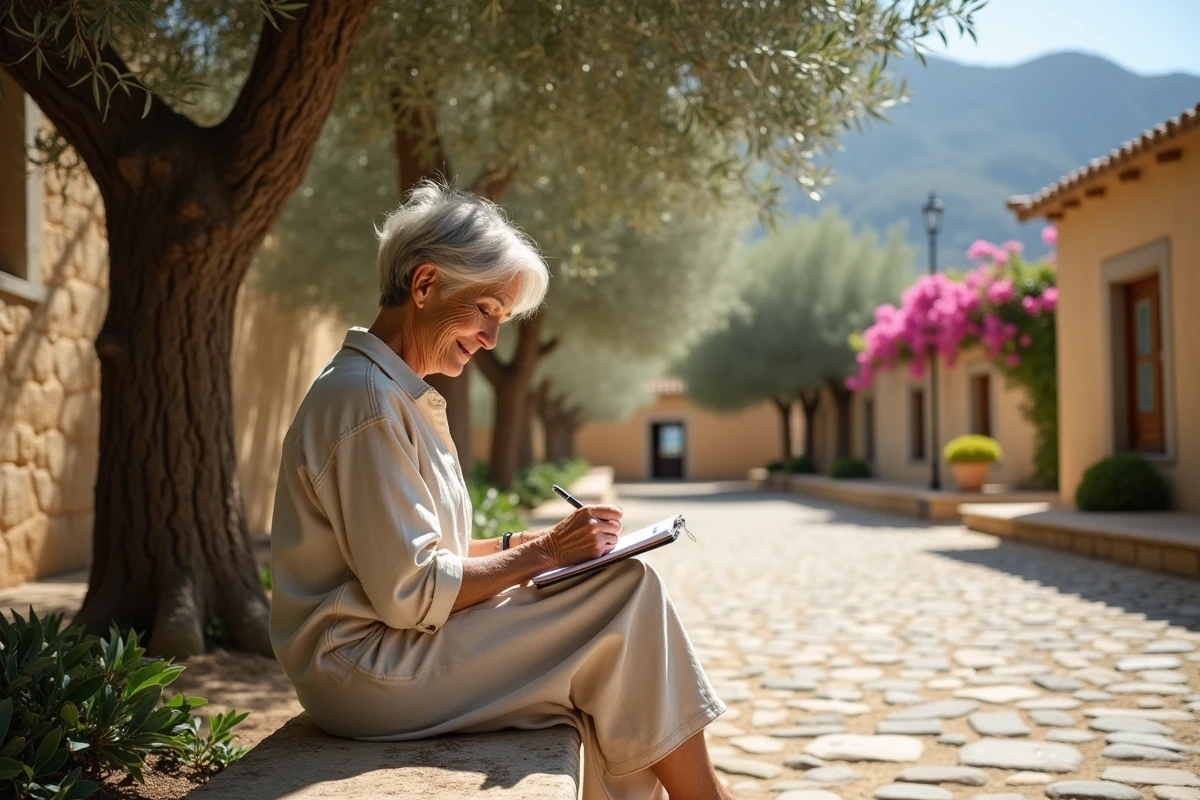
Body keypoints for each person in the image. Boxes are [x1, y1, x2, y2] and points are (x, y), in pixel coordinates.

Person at [269, 181, 732, 799]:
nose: (491, 339)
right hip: (364, 669)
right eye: (486, 310)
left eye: (501, 320)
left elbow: (424, 556)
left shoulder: (387, 394)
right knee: (624, 595)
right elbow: (412, 594)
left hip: (393, 651)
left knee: (611, 632)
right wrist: (546, 554)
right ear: (425, 284)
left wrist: (532, 543)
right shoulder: (366, 402)